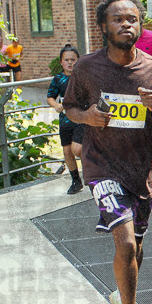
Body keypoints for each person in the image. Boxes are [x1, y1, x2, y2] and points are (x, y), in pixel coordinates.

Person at [64, 0, 152, 304]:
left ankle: (121, 294)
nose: (126, 25)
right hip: (101, 167)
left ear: (140, 25)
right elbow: (70, 107)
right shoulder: (86, 68)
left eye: (132, 19)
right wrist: (87, 118)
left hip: (140, 171)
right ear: (104, 26)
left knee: (137, 247)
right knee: (126, 243)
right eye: (118, 19)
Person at [46, 44, 86, 194]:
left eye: (73, 60)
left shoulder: (82, 77)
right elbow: (50, 97)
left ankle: (92, 168)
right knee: (67, 151)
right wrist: (56, 105)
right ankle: (76, 180)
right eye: (66, 60)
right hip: (65, 121)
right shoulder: (58, 79)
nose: (70, 63)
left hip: (81, 119)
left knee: (77, 149)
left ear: (78, 61)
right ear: (61, 62)